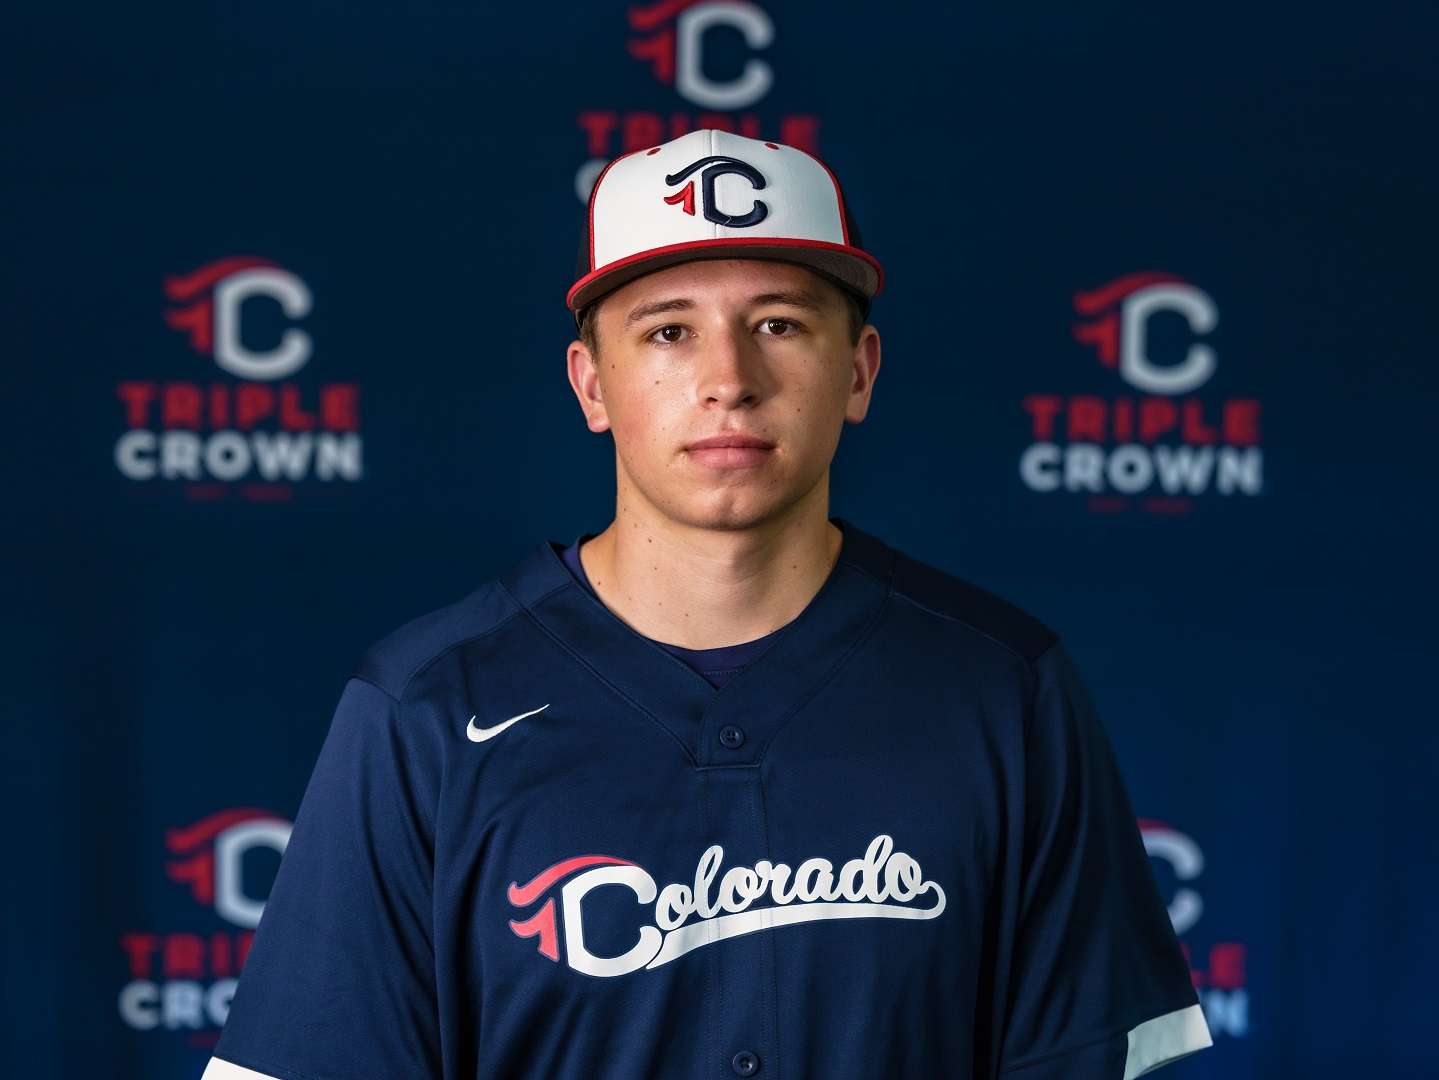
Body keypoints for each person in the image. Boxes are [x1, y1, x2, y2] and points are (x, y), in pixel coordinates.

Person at [200, 128, 1213, 1080]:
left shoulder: (1004, 688)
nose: (729, 379)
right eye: (669, 331)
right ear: (592, 385)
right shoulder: (424, 704)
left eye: (778, 324)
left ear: (857, 372)